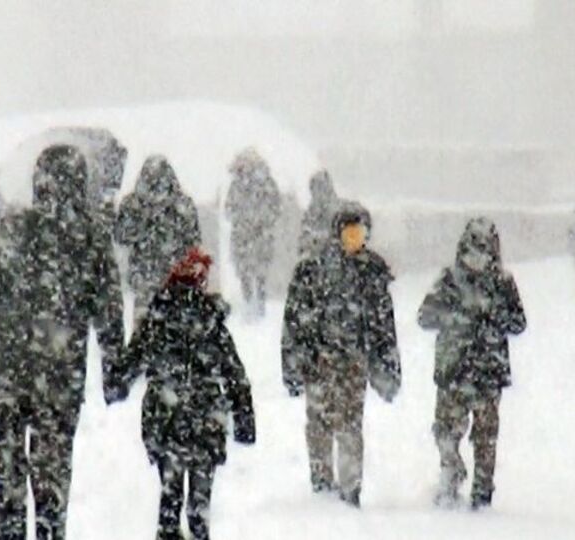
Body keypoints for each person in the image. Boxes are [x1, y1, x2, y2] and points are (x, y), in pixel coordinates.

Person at [0, 145, 125, 540]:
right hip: (60, 381)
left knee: (8, 479)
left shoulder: (13, 230)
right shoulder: (91, 239)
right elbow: (109, 313)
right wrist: (114, 370)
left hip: (7, 378)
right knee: (52, 483)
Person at [112, 247, 255, 540]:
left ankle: (169, 532)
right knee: (200, 501)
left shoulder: (158, 319)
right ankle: (196, 532)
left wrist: (117, 384)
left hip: (165, 419)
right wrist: (244, 419)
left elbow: (131, 361)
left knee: (170, 492)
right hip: (206, 419)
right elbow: (234, 373)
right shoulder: (211, 322)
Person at [281, 202, 401, 508]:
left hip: (353, 363)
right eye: (349, 234)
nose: (354, 241)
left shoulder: (372, 273)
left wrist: (387, 367)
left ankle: (350, 489)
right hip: (319, 360)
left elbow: (383, 327)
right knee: (319, 422)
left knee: (349, 425)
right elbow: (294, 321)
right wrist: (294, 364)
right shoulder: (313, 270)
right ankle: (321, 484)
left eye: (359, 234)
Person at [417, 217, 526, 510]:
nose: (477, 258)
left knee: (485, 438)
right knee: (445, 432)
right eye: (472, 250)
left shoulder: (503, 283)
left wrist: (492, 317)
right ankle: (451, 476)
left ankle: (482, 493)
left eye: (484, 250)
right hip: (454, 370)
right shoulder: (449, 279)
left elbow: (518, 322)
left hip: (488, 372)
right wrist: (455, 316)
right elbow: (424, 316)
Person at [115, 155, 202, 327]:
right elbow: (194, 241)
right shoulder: (182, 206)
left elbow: (121, 236)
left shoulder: (133, 204)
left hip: (147, 280)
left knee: (143, 336)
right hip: (174, 282)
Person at [225, 148, 282, 318]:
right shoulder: (242, 184)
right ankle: (252, 303)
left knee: (254, 271)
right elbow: (229, 208)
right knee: (250, 271)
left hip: (253, 235)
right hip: (251, 235)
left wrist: (252, 220)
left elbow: (275, 207)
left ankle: (255, 303)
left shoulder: (258, 183)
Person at [297, 169, 340, 259]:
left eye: (322, 188)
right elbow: (304, 240)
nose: (319, 193)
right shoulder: (309, 215)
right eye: (316, 189)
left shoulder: (339, 211)